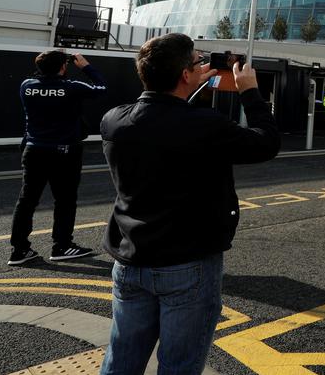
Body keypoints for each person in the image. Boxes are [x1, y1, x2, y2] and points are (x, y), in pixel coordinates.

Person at [99, 33, 280, 375]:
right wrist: (249, 91)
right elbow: (266, 143)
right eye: (196, 61)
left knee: (121, 357)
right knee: (178, 365)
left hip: (131, 260)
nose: (201, 64)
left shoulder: (114, 120)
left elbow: (159, 115)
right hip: (187, 265)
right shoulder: (205, 125)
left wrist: (191, 80)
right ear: (184, 75)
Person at [9, 51, 107, 266]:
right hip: (64, 152)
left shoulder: (27, 85)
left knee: (26, 201)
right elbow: (101, 88)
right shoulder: (72, 87)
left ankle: (19, 250)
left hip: (34, 149)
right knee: (65, 200)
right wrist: (85, 67)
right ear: (64, 67)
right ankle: (62, 246)